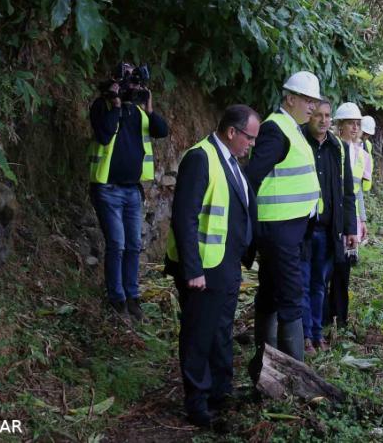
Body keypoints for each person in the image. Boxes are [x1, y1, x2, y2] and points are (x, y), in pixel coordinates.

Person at [164, 105, 260, 429]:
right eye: (249, 137)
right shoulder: (200, 158)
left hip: (227, 264)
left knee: (220, 331)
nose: (252, 144)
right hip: (203, 268)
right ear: (232, 132)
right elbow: (184, 217)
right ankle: (197, 402)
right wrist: (192, 269)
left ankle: (220, 391)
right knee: (198, 334)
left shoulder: (230, 160)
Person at [246, 71, 323, 365]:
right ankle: (294, 371)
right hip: (279, 228)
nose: (313, 107)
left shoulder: (292, 128)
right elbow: (252, 177)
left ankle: (267, 361)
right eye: (307, 100)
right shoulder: (276, 129)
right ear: (290, 99)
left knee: (270, 290)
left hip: (289, 227)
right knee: (291, 295)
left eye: (314, 101)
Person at [88, 62, 169, 321]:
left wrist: (149, 108)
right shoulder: (101, 106)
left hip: (132, 190)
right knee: (117, 245)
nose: (133, 89)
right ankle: (117, 300)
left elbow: (162, 131)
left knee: (133, 245)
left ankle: (133, 299)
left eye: (137, 85)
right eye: (129, 85)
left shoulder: (138, 112)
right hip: (107, 189)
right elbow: (104, 134)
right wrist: (115, 105)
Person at [300, 99, 358, 353]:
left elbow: (347, 192)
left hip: (328, 229)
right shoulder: (298, 142)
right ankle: (304, 336)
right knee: (302, 283)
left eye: (327, 116)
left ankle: (317, 333)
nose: (323, 120)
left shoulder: (338, 148)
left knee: (319, 284)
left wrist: (351, 227)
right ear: (309, 116)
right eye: (318, 115)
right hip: (303, 228)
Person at [323, 104, 368, 338]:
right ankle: (322, 316)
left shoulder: (360, 153)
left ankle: (340, 316)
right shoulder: (330, 148)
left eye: (357, 124)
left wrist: (362, 219)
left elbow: (356, 191)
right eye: (350, 123)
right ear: (339, 125)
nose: (355, 128)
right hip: (331, 217)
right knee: (325, 269)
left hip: (350, 218)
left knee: (343, 269)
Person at [360, 115, 376, 193]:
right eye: (364, 133)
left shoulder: (368, 145)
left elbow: (368, 164)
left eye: (367, 134)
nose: (365, 136)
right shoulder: (350, 143)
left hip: (360, 184)